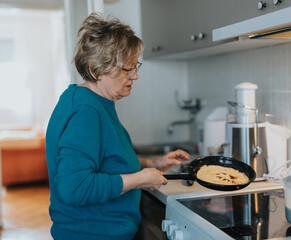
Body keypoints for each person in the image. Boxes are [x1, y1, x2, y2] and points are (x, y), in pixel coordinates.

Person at [45, 13, 189, 240]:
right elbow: (75, 186)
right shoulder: (86, 111)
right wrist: (141, 179)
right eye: (126, 69)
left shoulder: (91, 101)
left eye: (135, 66)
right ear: (95, 70)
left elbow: (105, 159)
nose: (135, 75)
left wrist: (152, 163)